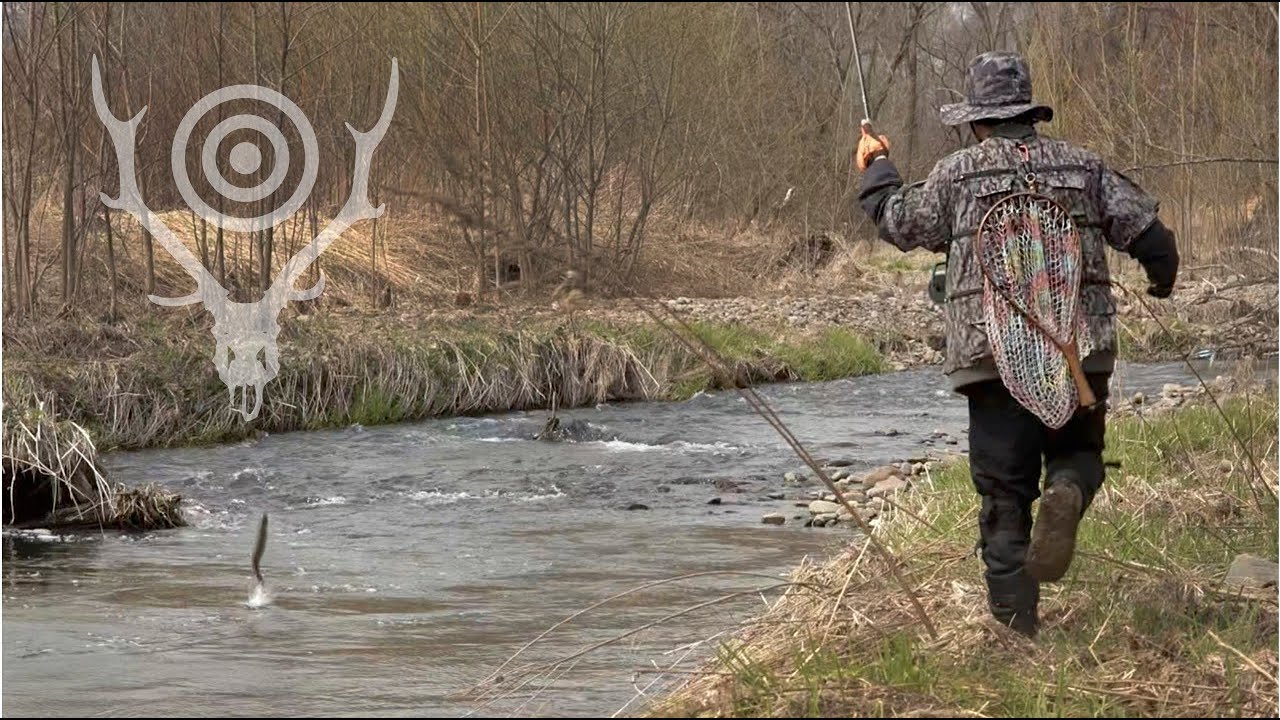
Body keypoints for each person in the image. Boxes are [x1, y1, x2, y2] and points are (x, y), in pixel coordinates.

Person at [856, 51, 1179, 638]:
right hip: (1078, 355)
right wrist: (1161, 280)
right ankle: (1066, 488)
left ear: (977, 120)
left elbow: (897, 221)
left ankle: (1015, 632)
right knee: (1079, 457)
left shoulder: (956, 173)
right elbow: (1153, 237)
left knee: (1004, 495)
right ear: (1029, 112)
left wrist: (876, 166)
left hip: (991, 361)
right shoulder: (1085, 167)